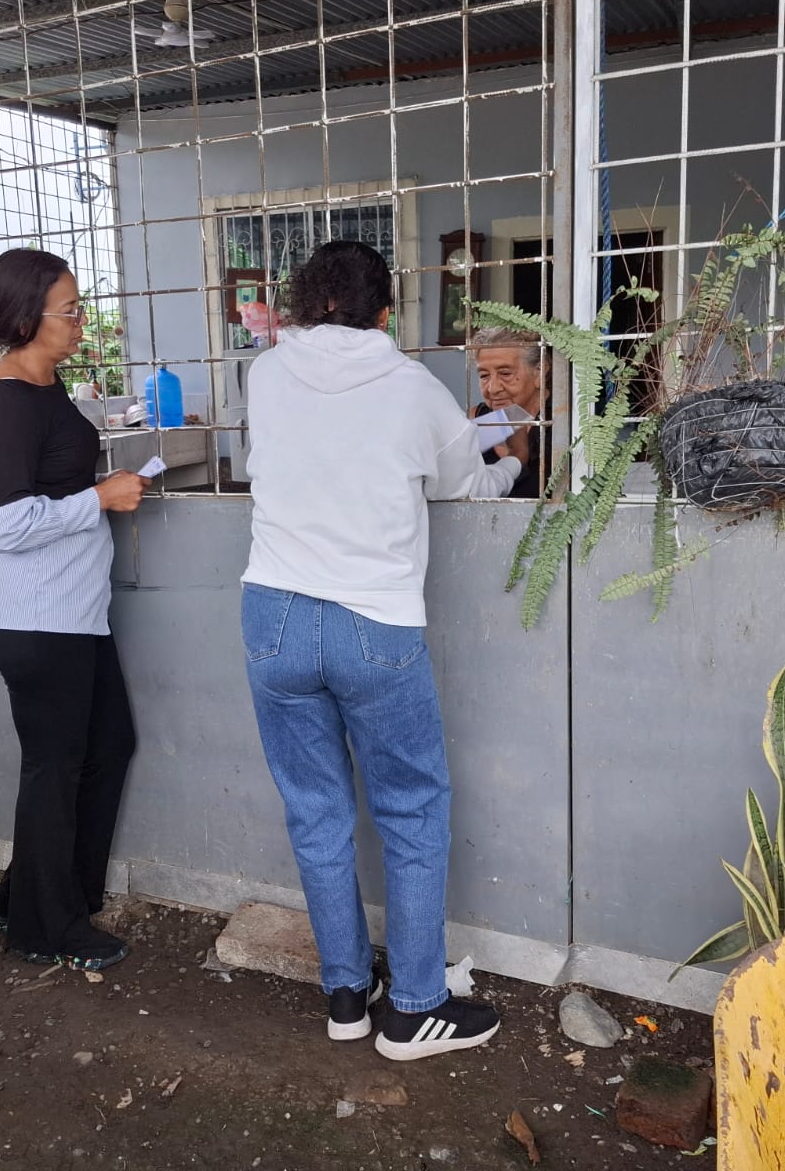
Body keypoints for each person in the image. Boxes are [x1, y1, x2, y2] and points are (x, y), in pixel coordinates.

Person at [240, 240, 524, 1062]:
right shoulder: (413, 387)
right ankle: (416, 1008)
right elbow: (464, 482)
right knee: (411, 811)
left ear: (302, 302)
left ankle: (346, 993)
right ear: (388, 312)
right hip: (374, 622)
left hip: (273, 615)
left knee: (315, 809)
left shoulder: (265, 374)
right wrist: (511, 463)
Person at [0, 248, 148, 972]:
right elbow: (4, 525)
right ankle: (47, 927)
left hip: (71, 613)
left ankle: (37, 898)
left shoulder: (45, 382)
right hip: (34, 619)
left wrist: (98, 490)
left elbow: (50, 485)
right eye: (69, 311)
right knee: (56, 767)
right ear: (26, 317)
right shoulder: (7, 398)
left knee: (106, 746)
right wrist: (99, 498)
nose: (80, 322)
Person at [472, 327, 548, 499]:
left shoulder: (564, 422)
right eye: (484, 376)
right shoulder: (474, 420)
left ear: (539, 372)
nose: (493, 388)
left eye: (505, 373)